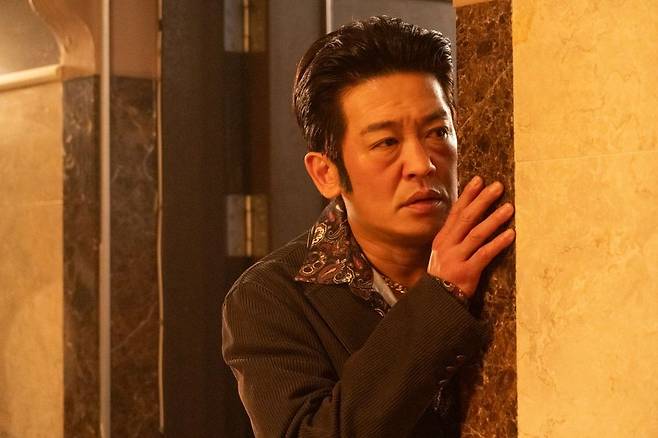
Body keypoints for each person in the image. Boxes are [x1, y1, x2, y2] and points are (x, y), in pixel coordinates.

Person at [222, 16, 515, 437]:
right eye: (386, 142)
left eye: (437, 132)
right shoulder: (270, 297)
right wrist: (442, 295)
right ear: (326, 173)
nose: (422, 164)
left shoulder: (507, 246)